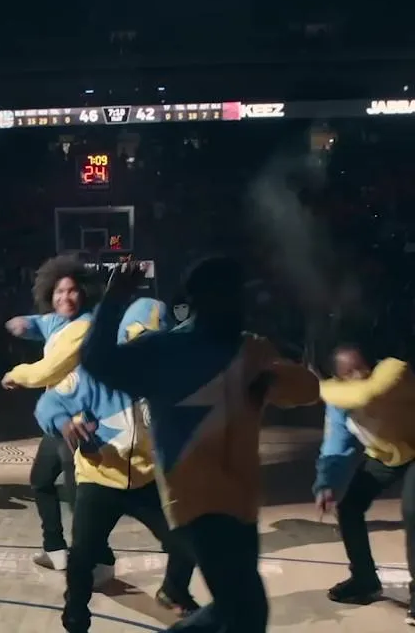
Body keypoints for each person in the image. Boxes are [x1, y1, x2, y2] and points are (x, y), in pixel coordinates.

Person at [80, 257, 319, 633]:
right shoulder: (165, 349)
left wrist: (275, 378)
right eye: (229, 295)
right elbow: (97, 362)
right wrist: (113, 301)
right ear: (200, 299)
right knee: (246, 610)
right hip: (196, 500)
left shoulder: (252, 350)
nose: (238, 304)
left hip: (242, 502)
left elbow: (309, 390)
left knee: (235, 611)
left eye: (239, 295)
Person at [34, 296, 199, 633]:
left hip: (147, 482)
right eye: (139, 345)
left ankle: (174, 589)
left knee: (188, 543)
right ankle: (75, 612)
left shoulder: (170, 380)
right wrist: (64, 423)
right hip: (98, 480)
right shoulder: (93, 375)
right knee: (82, 556)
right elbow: (48, 404)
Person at [2, 254, 115, 575]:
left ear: (85, 293)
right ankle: (54, 548)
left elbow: (48, 370)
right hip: (60, 419)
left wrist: (15, 374)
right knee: (41, 481)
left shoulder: (85, 326)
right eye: (59, 292)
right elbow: (40, 323)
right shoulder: (58, 322)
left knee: (79, 495)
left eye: (72, 290)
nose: (65, 297)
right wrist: (23, 324)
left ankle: (101, 560)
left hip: (81, 420)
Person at [313, 345, 415, 623]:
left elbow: (367, 393)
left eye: (362, 367)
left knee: (412, 511)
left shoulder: (391, 374)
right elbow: (336, 444)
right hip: (385, 453)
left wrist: (325, 389)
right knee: (348, 506)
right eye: (350, 372)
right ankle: (364, 579)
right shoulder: (338, 401)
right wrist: (326, 483)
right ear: (337, 377)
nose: (359, 374)